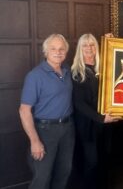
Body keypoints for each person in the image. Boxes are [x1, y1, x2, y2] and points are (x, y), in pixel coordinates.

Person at [19, 34, 74, 189]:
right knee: (42, 177)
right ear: (45, 52)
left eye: (61, 49)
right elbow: (24, 111)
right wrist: (34, 141)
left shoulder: (68, 71)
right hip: (45, 131)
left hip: (68, 129)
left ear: (66, 51)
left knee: (64, 172)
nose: (58, 52)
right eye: (53, 49)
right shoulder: (35, 76)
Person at [71, 33, 120, 189]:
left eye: (92, 44)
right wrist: (100, 118)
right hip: (88, 125)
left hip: (105, 124)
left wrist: (110, 40)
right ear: (80, 49)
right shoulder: (77, 72)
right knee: (91, 162)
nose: (89, 48)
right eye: (84, 45)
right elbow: (79, 103)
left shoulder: (104, 67)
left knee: (105, 159)